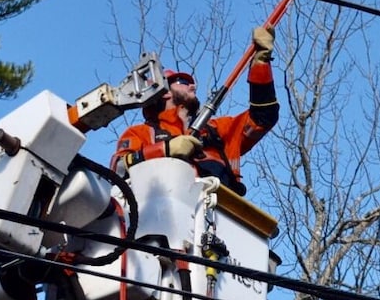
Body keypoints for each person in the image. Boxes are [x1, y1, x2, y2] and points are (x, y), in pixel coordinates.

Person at [111, 26, 278, 195]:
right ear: (164, 91)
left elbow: (263, 117)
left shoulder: (217, 131)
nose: (193, 85)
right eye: (183, 81)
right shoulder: (141, 134)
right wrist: (165, 150)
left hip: (222, 214)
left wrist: (261, 64)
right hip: (167, 213)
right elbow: (118, 169)